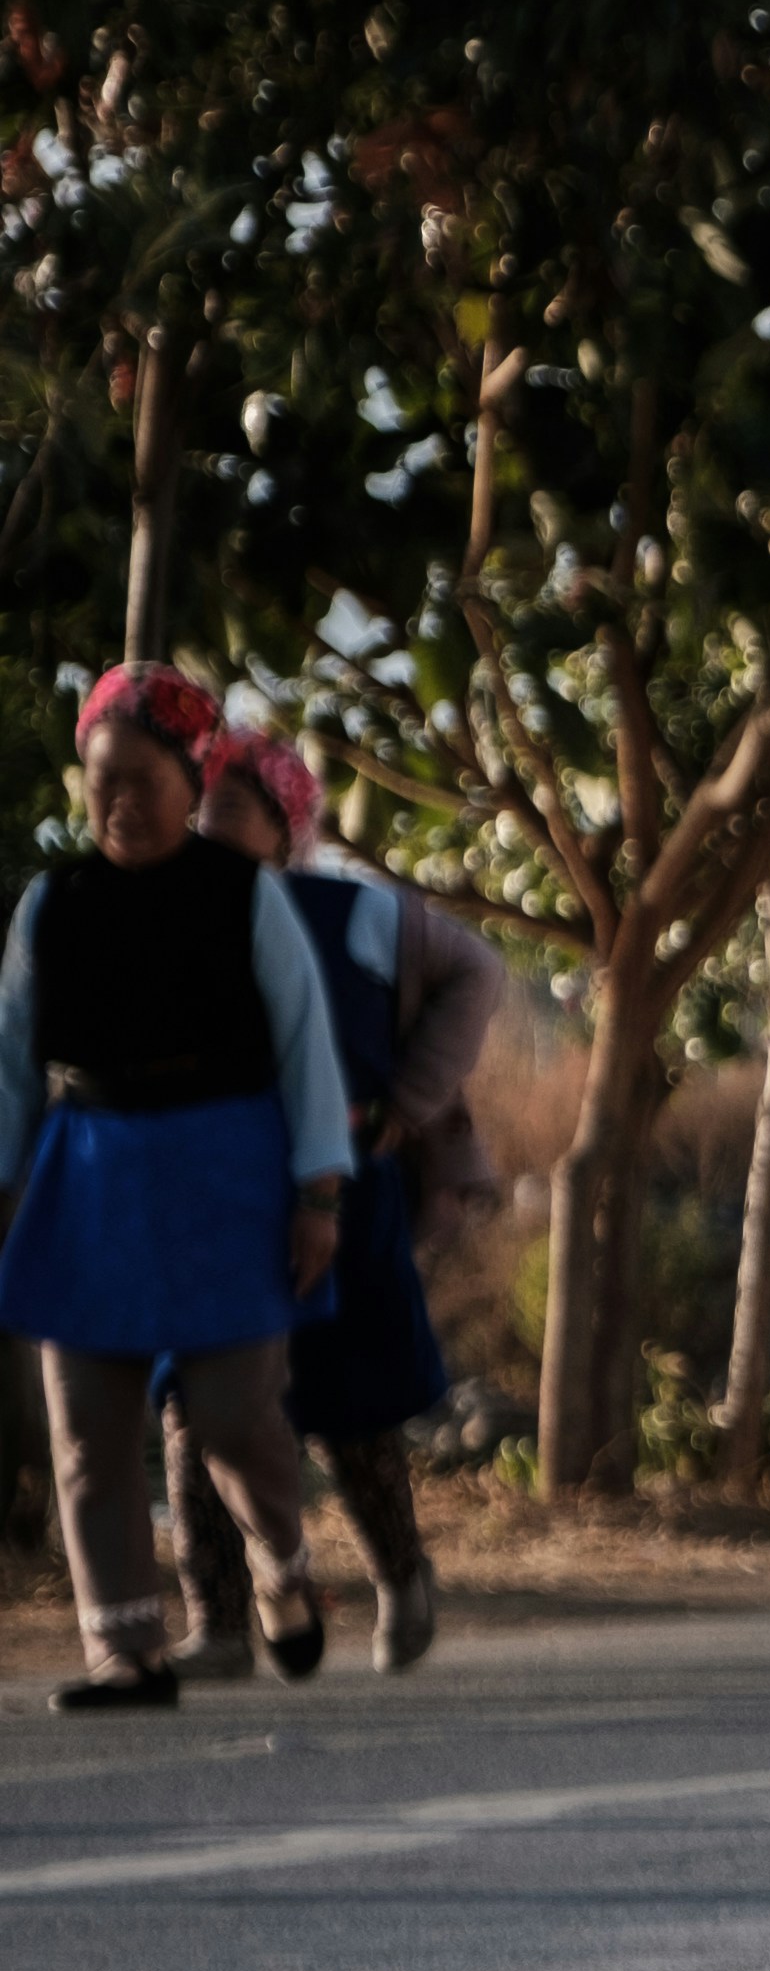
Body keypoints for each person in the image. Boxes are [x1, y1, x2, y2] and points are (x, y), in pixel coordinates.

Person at [0, 664, 353, 1709]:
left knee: (235, 1416)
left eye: (142, 777)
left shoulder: (243, 895)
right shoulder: (51, 905)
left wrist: (318, 1195)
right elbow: (12, 1058)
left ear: (190, 777)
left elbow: (306, 1049)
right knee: (89, 1433)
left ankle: (283, 1569)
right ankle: (127, 1648)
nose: (119, 800)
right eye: (101, 777)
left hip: (225, 1173)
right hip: (92, 1173)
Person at [162, 721, 505, 1671]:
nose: (213, 822)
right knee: (197, 1411)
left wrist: (412, 1100)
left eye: (238, 807)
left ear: (288, 825)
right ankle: (221, 1625)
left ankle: (400, 1574)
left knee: (351, 1406)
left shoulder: (356, 915)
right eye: (204, 806)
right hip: (215, 1195)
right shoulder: (169, 914)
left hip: (341, 1192)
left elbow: (478, 971)